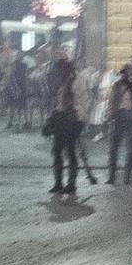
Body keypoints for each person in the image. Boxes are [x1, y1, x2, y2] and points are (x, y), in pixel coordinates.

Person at [45, 57, 90, 198]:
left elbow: (83, 103)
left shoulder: (79, 81)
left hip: (73, 121)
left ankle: (71, 184)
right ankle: (58, 183)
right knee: (57, 152)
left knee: (70, 152)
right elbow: (58, 103)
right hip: (61, 121)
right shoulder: (62, 82)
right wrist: (52, 118)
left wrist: (79, 120)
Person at [106, 60, 132, 184]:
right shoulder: (116, 86)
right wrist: (109, 114)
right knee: (114, 147)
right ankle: (111, 176)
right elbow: (112, 102)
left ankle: (127, 177)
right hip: (119, 116)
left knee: (131, 147)